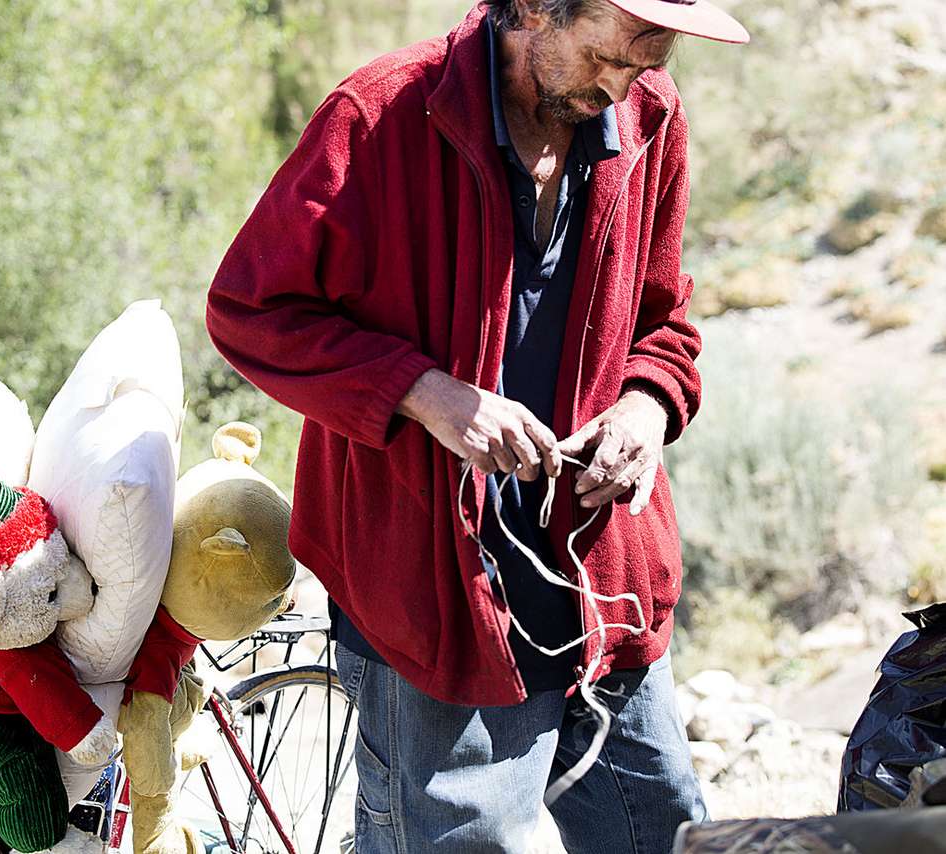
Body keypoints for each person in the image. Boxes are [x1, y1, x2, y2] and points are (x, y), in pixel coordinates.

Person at [205, 0, 748, 851]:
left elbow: (665, 322)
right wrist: (426, 392)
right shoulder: (380, 115)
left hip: (599, 573)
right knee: (463, 838)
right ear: (534, 8)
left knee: (663, 829)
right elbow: (251, 309)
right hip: (428, 585)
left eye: (648, 62)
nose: (623, 86)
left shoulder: (648, 111)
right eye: (608, 56)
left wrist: (645, 407)